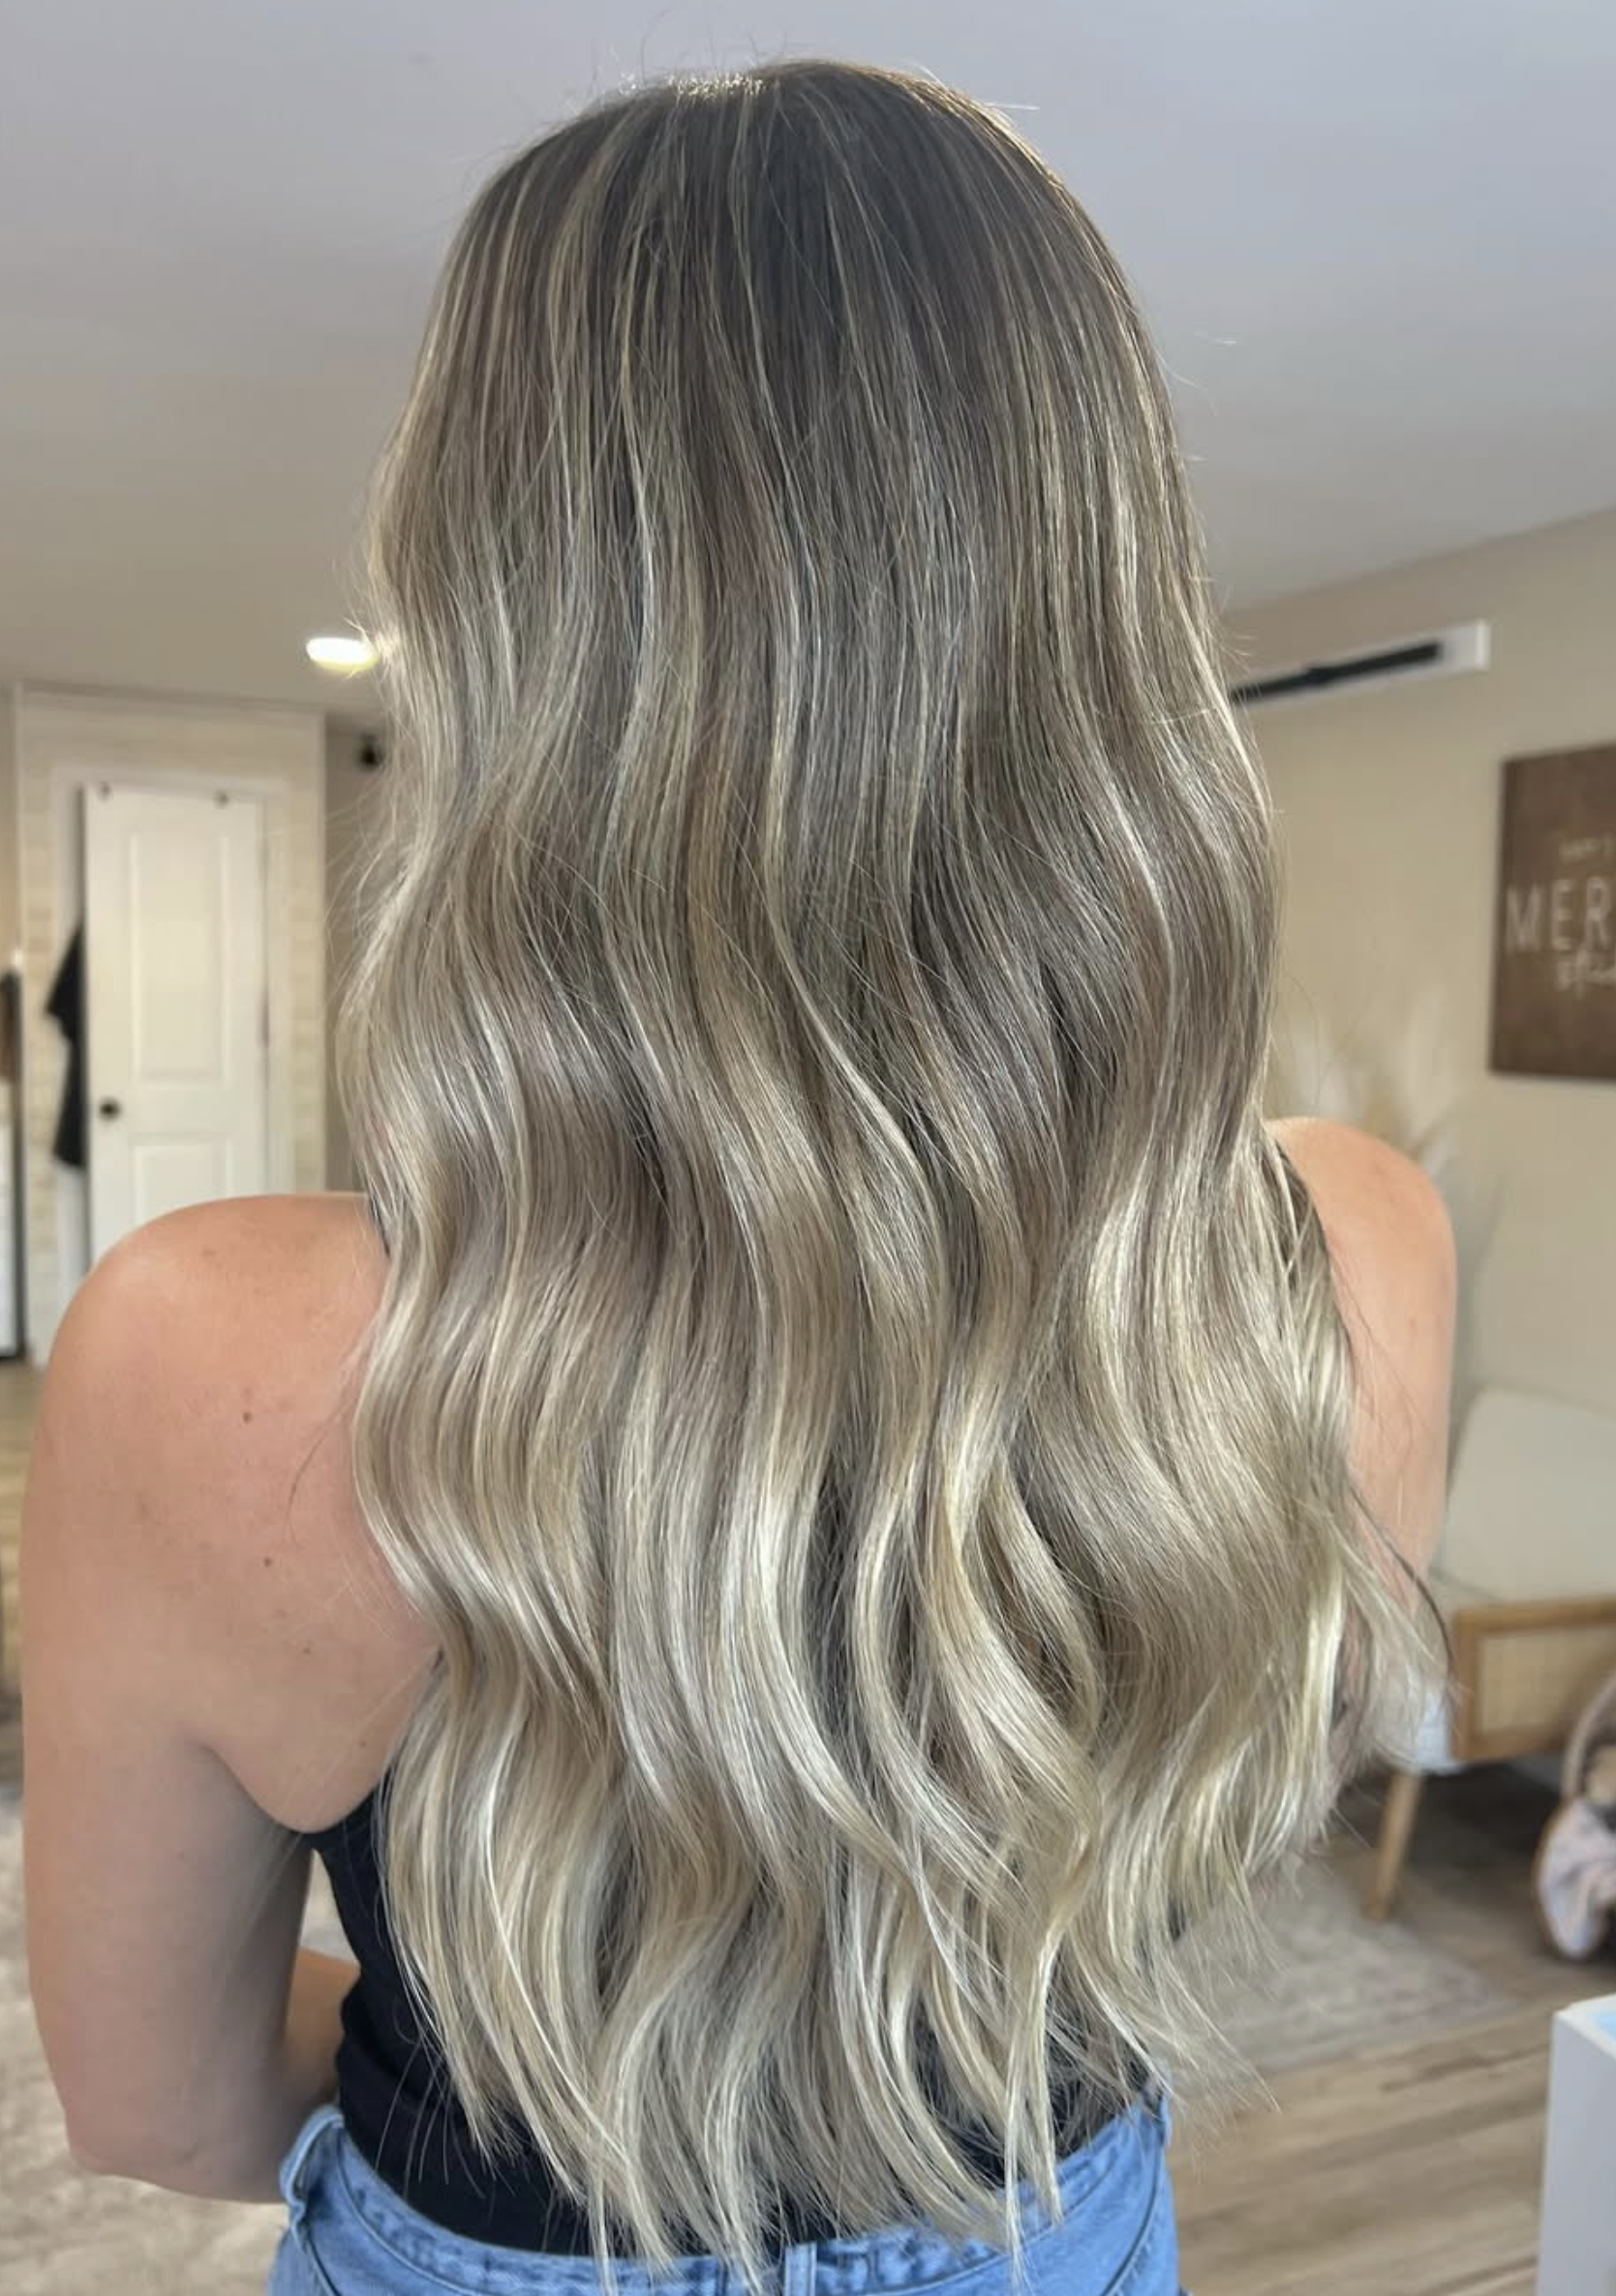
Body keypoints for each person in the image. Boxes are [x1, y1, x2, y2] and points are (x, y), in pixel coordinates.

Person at [22, 60, 1454, 2296]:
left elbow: (161, 2104)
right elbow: (1181, 1840)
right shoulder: (1354, 1252)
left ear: (496, 611)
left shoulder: (202, 1359)